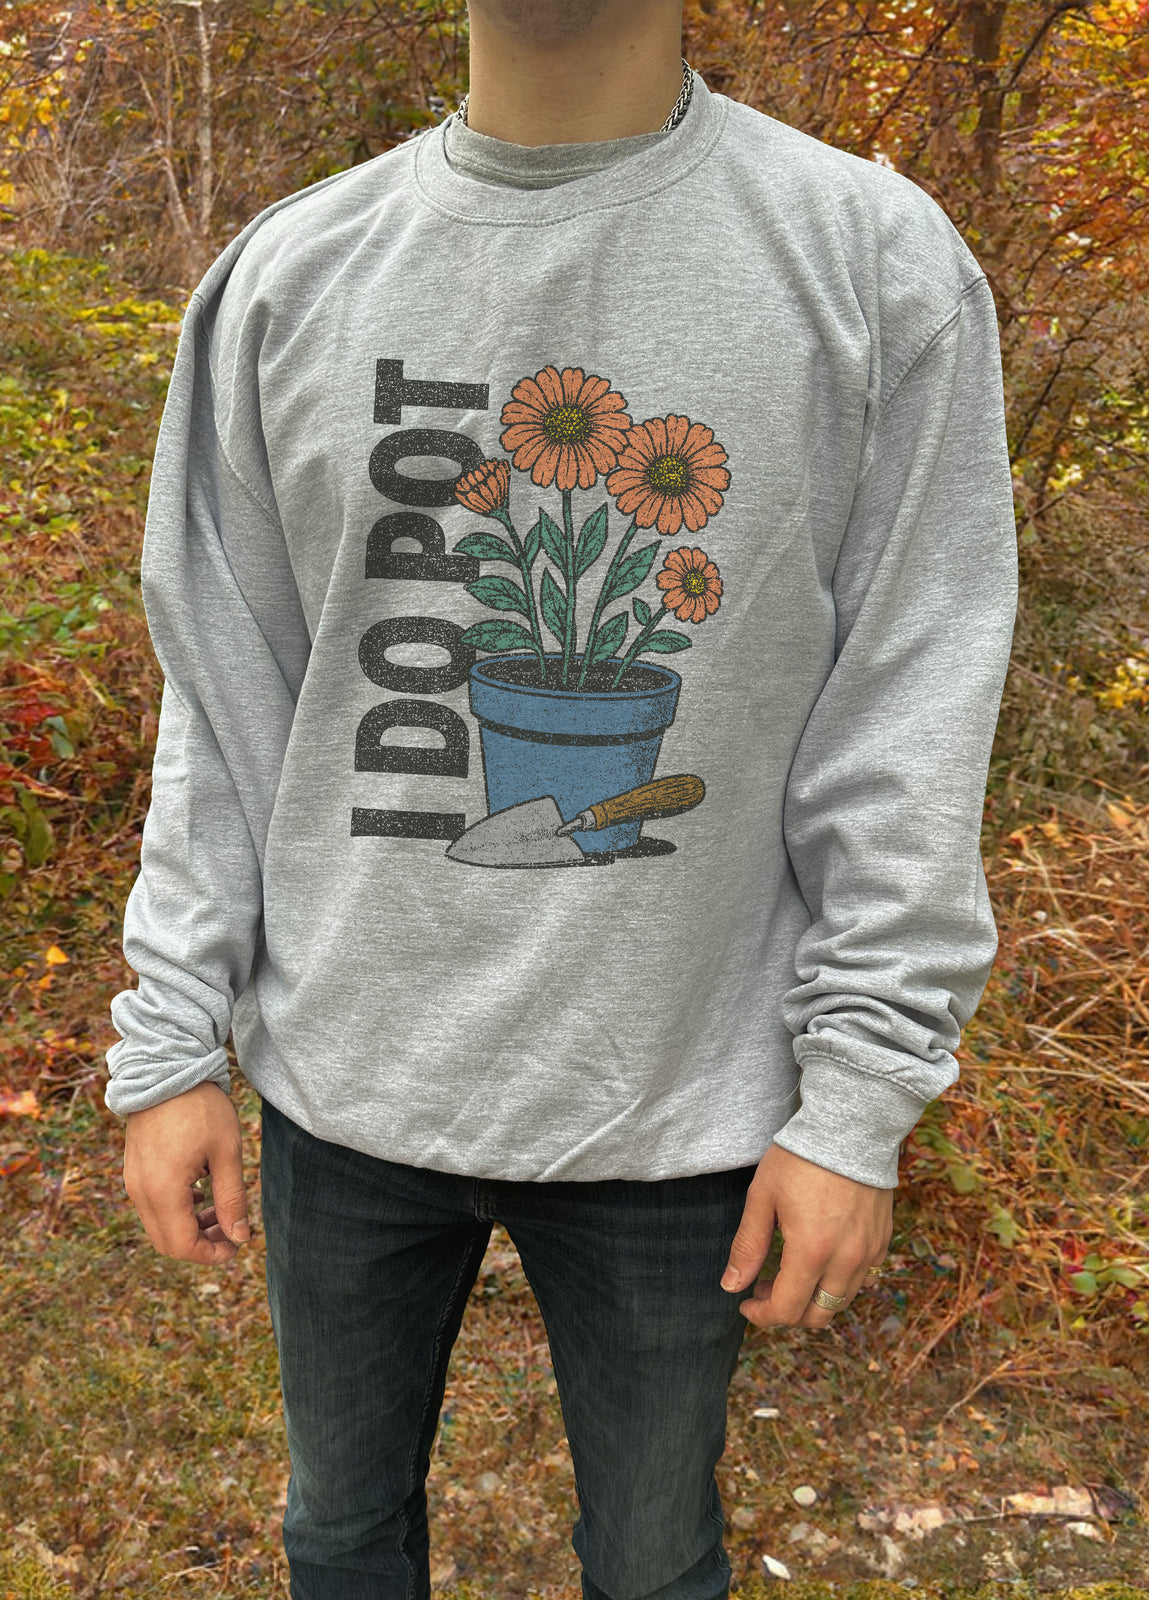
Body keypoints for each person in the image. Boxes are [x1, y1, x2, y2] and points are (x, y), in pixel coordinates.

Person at [106, 0, 1018, 1595]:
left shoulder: (869, 264)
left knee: (655, 1564)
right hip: (345, 1084)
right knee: (339, 1539)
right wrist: (171, 1036)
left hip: (679, 1102)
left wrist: (861, 1093)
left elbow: (911, 706)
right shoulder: (288, 276)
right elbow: (227, 699)